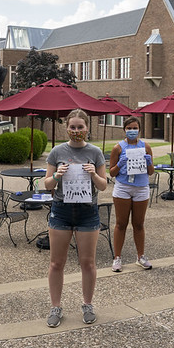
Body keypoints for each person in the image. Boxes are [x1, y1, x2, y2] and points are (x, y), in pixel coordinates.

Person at [42, 109, 108, 327]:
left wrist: (93, 174)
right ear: (66, 127)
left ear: (87, 128)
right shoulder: (57, 152)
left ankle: (87, 304)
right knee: (56, 262)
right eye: (73, 127)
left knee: (87, 262)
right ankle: (55, 307)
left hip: (87, 211)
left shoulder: (95, 152)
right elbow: (47, 184)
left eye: (80, 127)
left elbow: (103, 185)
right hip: (62, 209)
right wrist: (56, 175)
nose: (76, 131)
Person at [108, 116, 155, 271]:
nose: (132, 131)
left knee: (139, 224)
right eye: (129, 128)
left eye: (135, 128)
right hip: (123, 187)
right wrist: (119, 164)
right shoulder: (118, 148)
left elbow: (151, 172)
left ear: (139, 130)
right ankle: (117, 258)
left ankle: (140, 256)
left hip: (141, 187)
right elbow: (112, 173)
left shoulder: (145, 147)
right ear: (124, 130)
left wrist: (149, 162)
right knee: (121, 223)